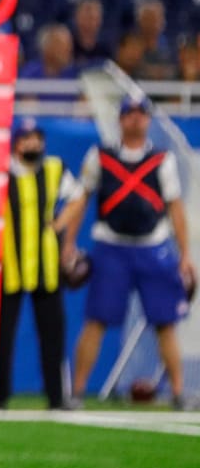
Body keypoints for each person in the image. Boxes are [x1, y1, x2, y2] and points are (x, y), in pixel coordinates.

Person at [59, 95, 197, 410]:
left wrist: (185, 254)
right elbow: (81, 199)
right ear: (121, 119)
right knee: (95, 320)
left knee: (166, 322)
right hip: (112, 246)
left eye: (141, 114)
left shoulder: (163, 160)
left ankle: (178, 393)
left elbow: (175, 208)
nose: (135, 119)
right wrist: (69, 243)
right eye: (130, 114)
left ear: (148, 120)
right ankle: (77, 392)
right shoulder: (101, 156)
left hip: (153, 246)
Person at [0, 118, 83, 410]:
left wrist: (60, 225)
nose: (33, 144)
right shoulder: (1, 170)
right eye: (27, 138)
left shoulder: (54, 168)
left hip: (46, 266)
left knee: (53, 335)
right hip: (9, 264)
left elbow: (78, 197)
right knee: (2, 337)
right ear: (16, 143)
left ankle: (57, 397)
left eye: (37, 138)